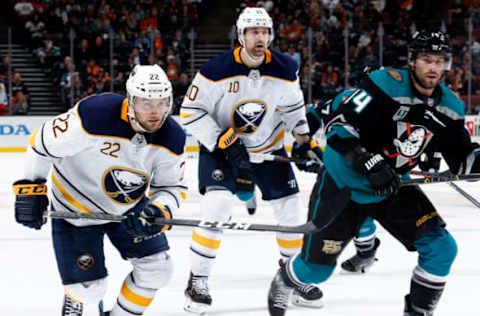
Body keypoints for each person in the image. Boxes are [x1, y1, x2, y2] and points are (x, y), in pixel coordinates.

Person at [268, 30, 474, 316]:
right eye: (427, 60)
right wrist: (369, 163)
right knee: (315, 271)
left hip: (393, 186)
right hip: (345, 183)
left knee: (442, 250)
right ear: (412, 61)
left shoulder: (450, 107)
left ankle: (418, 311)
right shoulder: (384, 84)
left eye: (440, 61)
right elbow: (339, 129)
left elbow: (463, 157)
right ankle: (285, 280)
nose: (434, 68)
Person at [180, 7, 323, 314]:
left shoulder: (285, 68)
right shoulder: (215, 70)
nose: (260, 38)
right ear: (241, 35)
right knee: (216, 208)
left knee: (291, 209)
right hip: (222, 151)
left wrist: (304, 143)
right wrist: (220, 139)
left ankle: (291, 278)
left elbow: (294, 109)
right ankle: (198, 280)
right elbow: (189, 113)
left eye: (264, 32)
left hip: (267, 150)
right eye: (253, 32)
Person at [13, 64, 187, 316]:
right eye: (147, 103)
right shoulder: (95, 115)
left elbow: (171, 186)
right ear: (131, 100)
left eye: (161, 103)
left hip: (129, 208)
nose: (155, 112)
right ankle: (76, 296)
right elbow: (42, 144)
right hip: (75, 208)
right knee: (89, 289)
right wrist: (30, 188)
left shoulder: (172, 137)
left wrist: (159, 210)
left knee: (158, 270)